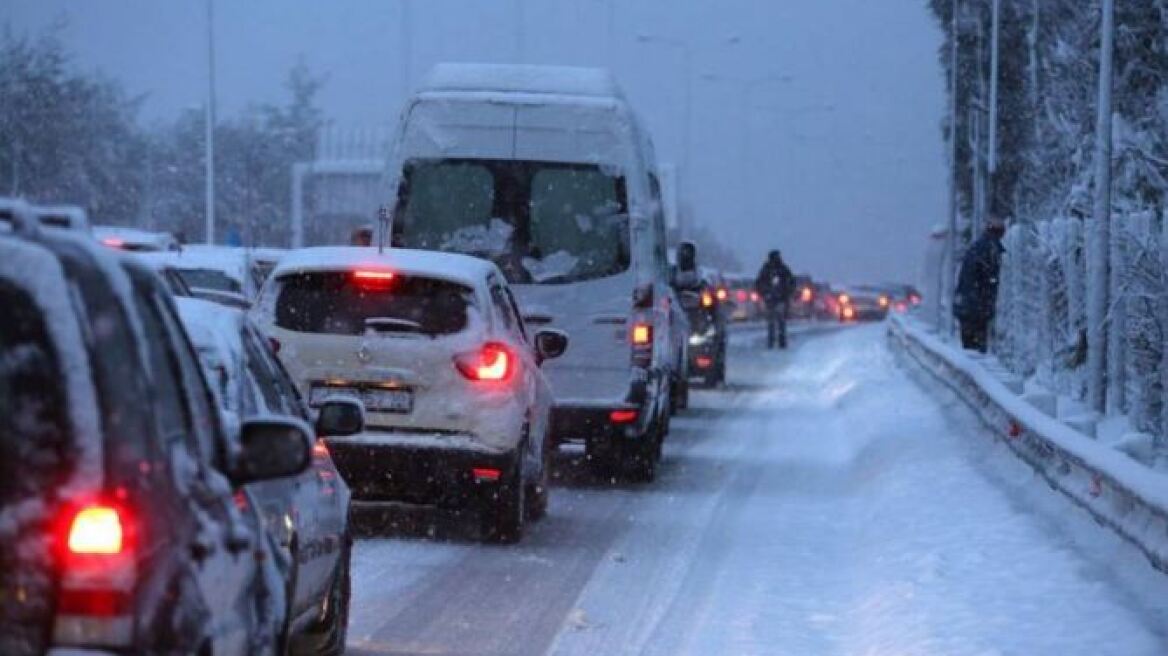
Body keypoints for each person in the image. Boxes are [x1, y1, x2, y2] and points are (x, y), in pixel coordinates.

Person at [953, 218, 1007, 352]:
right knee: (977, 349)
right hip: (977, 308)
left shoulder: (977, 247)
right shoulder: (991, 249)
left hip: (968, 306)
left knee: (969, 348)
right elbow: (991, 279)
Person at [755, 249, 795, 349]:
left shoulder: (768, 269)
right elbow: (792, 282)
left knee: (773, 322)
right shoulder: (782, 268)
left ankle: (772, 341)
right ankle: (780, 341)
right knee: (779, 322)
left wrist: (765, 293)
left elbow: (758, 284)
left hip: (773, 299)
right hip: (778, 299)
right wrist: (787, 293)